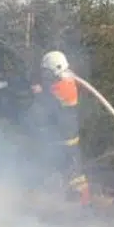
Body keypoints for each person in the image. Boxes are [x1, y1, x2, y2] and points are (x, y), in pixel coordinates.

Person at [31, 50, 91, 206]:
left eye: (46, 72)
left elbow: (48, 102)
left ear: (56, 69)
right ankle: (74, 201)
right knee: (71, 169)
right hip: (66, 134)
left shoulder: (63, 86)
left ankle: (82, 204)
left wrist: (38, 92)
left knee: (72, 171)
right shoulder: (66, 80)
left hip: (66, 136)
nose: (45, 76)